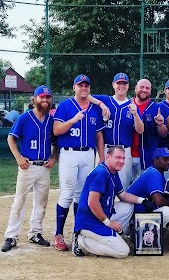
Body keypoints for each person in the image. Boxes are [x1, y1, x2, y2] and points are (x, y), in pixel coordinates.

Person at [52, 74, 105, 251]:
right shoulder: (66, 106)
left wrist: (101, 156)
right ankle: (58, 234)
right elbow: (57, 130)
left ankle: (77, 233)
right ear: (74, 87)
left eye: (86, 86)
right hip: (69, 153)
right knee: (67, 193)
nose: (83, 88)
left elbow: (98, 135)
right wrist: (73, 120)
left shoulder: (94, 108)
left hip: (88, 154)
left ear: (89, 88)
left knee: (81, 195)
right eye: (80, 85)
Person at [2, 86, 57, 252]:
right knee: (19, 201)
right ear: (34, 99)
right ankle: (11, 236)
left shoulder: (51, 119)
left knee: (42, 202)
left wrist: (54, 158)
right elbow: (11, 138)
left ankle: (35, 233)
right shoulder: (25, 118)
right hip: (28, 166)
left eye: (48, 97)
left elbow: (56, 143)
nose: (45, 101)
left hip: (44, 167)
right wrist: (18, 157)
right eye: (42, 97)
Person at [73, 146, 147, 258]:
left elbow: (123, 196)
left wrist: (143, 201)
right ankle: (82, 242)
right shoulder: (101, 173)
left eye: (123, 158)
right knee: (123, 252)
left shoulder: (112, 171)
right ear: (108, 156)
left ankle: (112, 237)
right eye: (118, 157)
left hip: (100, 215)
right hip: (90, 222)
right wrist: (108, 223)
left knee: (128, 206)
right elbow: (92, 203)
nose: (121, 161)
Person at [89, 72, 144, 189]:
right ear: (113, 85)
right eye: (119, 83)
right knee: (100, 185)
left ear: (128, 86)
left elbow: (140, 130)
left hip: (124, 151)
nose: (122, 86)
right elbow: (85, 95)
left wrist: (135, 115)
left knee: (122, 187)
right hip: (105, 149)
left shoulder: (132, 106)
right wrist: (101, 104)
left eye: (124, 83)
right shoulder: (105, 99)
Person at [111, 147, 169, 233]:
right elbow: (158, 201)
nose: (168, 162)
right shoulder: (153, 173)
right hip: (129, 213)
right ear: (156, 160)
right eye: (165, 159)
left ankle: (140, 233)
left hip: (136, 213)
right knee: (167, 212)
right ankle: (140, 233)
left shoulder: (156, 172)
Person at [130, 78, 168, 180]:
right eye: (141, 87)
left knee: (147, 189)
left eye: (147, 88)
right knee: (126, 190)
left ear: (150, 91)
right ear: (135, 88)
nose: (144, 90)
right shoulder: (127, 105)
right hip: (127, 155)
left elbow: (164, 134)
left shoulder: (155, 108)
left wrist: (160, 125)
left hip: (148, 156)